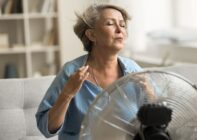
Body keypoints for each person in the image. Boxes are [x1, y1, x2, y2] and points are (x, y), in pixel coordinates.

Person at [36, 4, 142, 140]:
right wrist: (67, 94)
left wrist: (149, 92)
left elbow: (161, 116)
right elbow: (46, 127)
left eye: (122, 25)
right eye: (110, 23)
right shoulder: (71, 72)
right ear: (92, 34)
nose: (119, 30)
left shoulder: (134, 71)